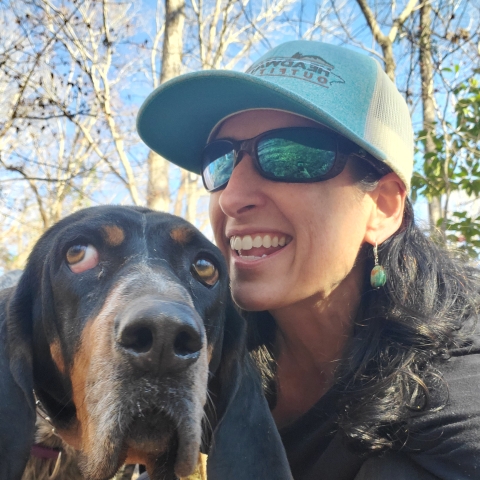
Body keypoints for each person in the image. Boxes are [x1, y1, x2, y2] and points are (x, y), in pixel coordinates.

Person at [136, 40, 480, 479]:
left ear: (384, 207)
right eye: (219, 161)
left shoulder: (457, 370)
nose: (232, 197)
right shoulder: (206, 344)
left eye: (292, 155)